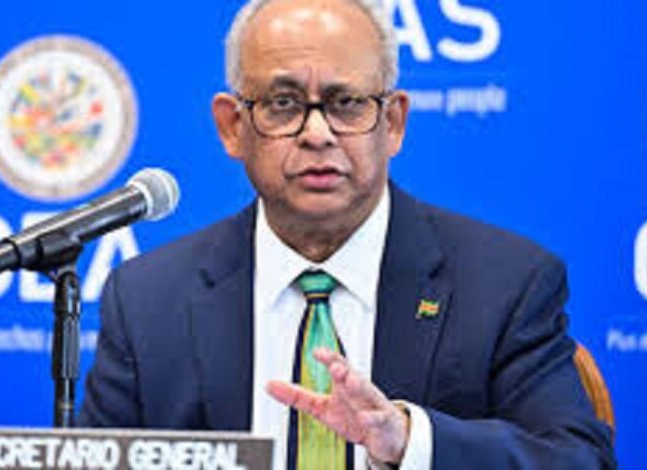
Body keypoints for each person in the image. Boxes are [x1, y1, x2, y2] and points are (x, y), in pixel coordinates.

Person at [78, 0, 616, 468]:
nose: (317, 134)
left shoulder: (505, 284)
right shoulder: (148, 300)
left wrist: (409, 441)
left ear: (394, 123)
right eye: (283, 103)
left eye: (347, 103)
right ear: (233, 127)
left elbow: (577, 459)